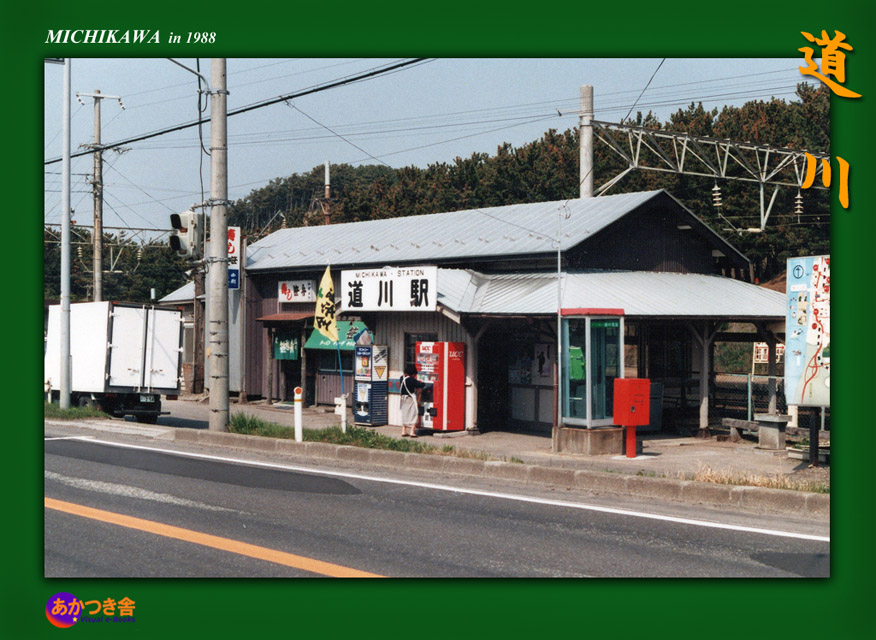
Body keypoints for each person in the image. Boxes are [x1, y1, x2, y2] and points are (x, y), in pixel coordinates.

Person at [400, 364, 426, 437]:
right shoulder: (411, 379)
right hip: (410, 398)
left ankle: (403, 431)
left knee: (404, 414)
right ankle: (412, 431)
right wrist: (423, 382)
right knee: (414, 413)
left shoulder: (402, 378)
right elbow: (421, 385)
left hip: (403, 398)